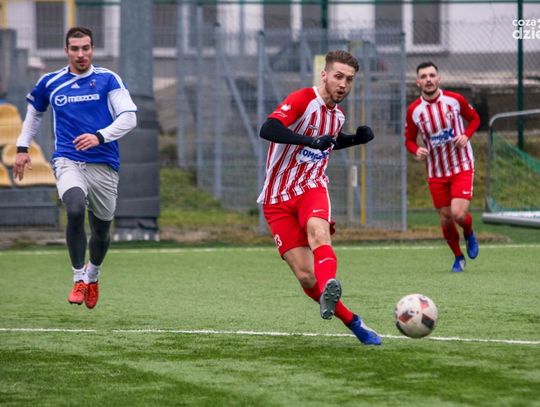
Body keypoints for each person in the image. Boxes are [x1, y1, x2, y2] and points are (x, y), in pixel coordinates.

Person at [257, 50, 381, 346]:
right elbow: (268, 128)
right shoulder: (303, 99)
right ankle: (353, 321)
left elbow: (328, 143)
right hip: (276, 199)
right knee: (305, 276)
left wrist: (356, 139)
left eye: (349, 79)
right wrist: (310, 140)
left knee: (318, 233)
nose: (343, 84)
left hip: (312, 187)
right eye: (338, 76)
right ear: (324, 75)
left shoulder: (337, 115)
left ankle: (330, 287)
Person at [14, 27, 137, 308]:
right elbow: (34, 115)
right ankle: (79, 277)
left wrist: (99, 136)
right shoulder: (50, 82)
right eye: (75, 49)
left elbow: (129, 118)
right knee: (75, 208)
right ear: (66, 51)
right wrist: (22, 148)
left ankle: (93, 275)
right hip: (68, 159)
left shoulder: (108, 79)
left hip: (104, 164)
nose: (81, 54)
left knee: (102, 231)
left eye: (85, 48)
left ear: (92, 49)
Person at [405, 61, 480, 272]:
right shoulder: (414, 110)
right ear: (418, 82)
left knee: (458, 214)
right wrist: (416, 150)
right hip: (436, 171)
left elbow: (474, 119)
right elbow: (408, 140)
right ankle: (458, 257)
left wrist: (466, 136)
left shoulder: (455, 100)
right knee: (446, 218)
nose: (428, 80)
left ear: (438, 78)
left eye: (432, 75)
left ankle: (469, 232)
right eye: (424, 76)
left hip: (461, 164)